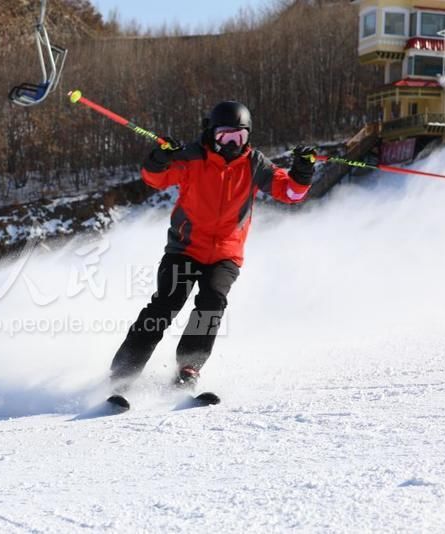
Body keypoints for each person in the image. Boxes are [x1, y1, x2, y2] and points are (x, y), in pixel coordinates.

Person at [110, 101, 316, 392]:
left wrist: (303, 171)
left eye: (240, 137)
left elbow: (292, 193)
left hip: (225, 255)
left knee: (212, 303)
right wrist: (160, 157)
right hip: (185, 248)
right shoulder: (192, 157)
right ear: (211, 133)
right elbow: (154, 178)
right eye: (225, 136)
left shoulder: (254, 164)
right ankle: (123, 372)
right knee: (165, 305)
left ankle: (188, 368)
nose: (232, 144)